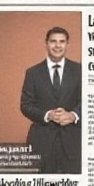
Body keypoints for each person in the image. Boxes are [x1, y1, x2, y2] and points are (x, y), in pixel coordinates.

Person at [19, 27, 82, 174]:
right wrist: (47, 115)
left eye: (62, 41)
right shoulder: (33, 72)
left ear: (67, 45)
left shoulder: (80, 70)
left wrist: (73, 115)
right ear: (46, 44)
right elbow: (25, 105)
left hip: (73, 142)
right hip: (42, 142)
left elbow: (90, 101)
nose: (57, 45)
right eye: (53, 41)